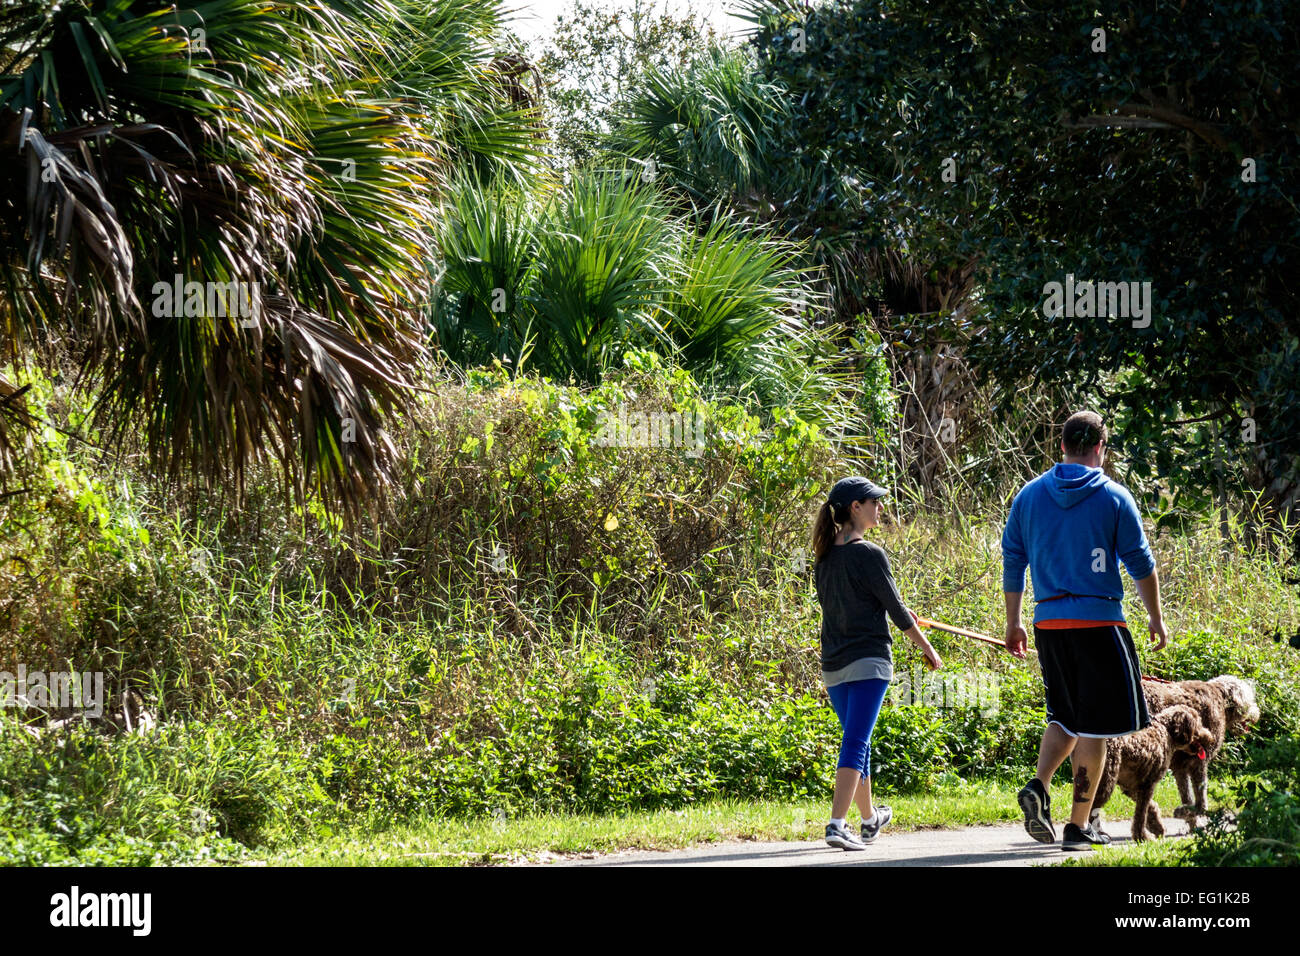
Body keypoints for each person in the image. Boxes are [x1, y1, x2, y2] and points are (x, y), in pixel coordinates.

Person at [1002, 411, 1169, 851]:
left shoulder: (1029, 496)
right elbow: (1141, 564)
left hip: (1049, 624)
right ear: (1101, 448)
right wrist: (1155, 615)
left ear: (1062, 446)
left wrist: (1014, 621)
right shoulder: (1115, 497)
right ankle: (1077, 826)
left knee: (1065, 715)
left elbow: (1013, 561)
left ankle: (1039, 785)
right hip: (1101, 624)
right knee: (1094, 728)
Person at [812, 476, 942, 851]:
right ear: (856, 507)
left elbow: (860, 605)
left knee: (858, 740)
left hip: (834, 665)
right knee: (855, 741)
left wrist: (895, 611)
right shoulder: (869, 554)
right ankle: (837, 824)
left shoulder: (824, 559)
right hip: (868, 662)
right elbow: (898, 611)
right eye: (874, 501)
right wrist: (927, 648)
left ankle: (869, 820)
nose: (880, 507)